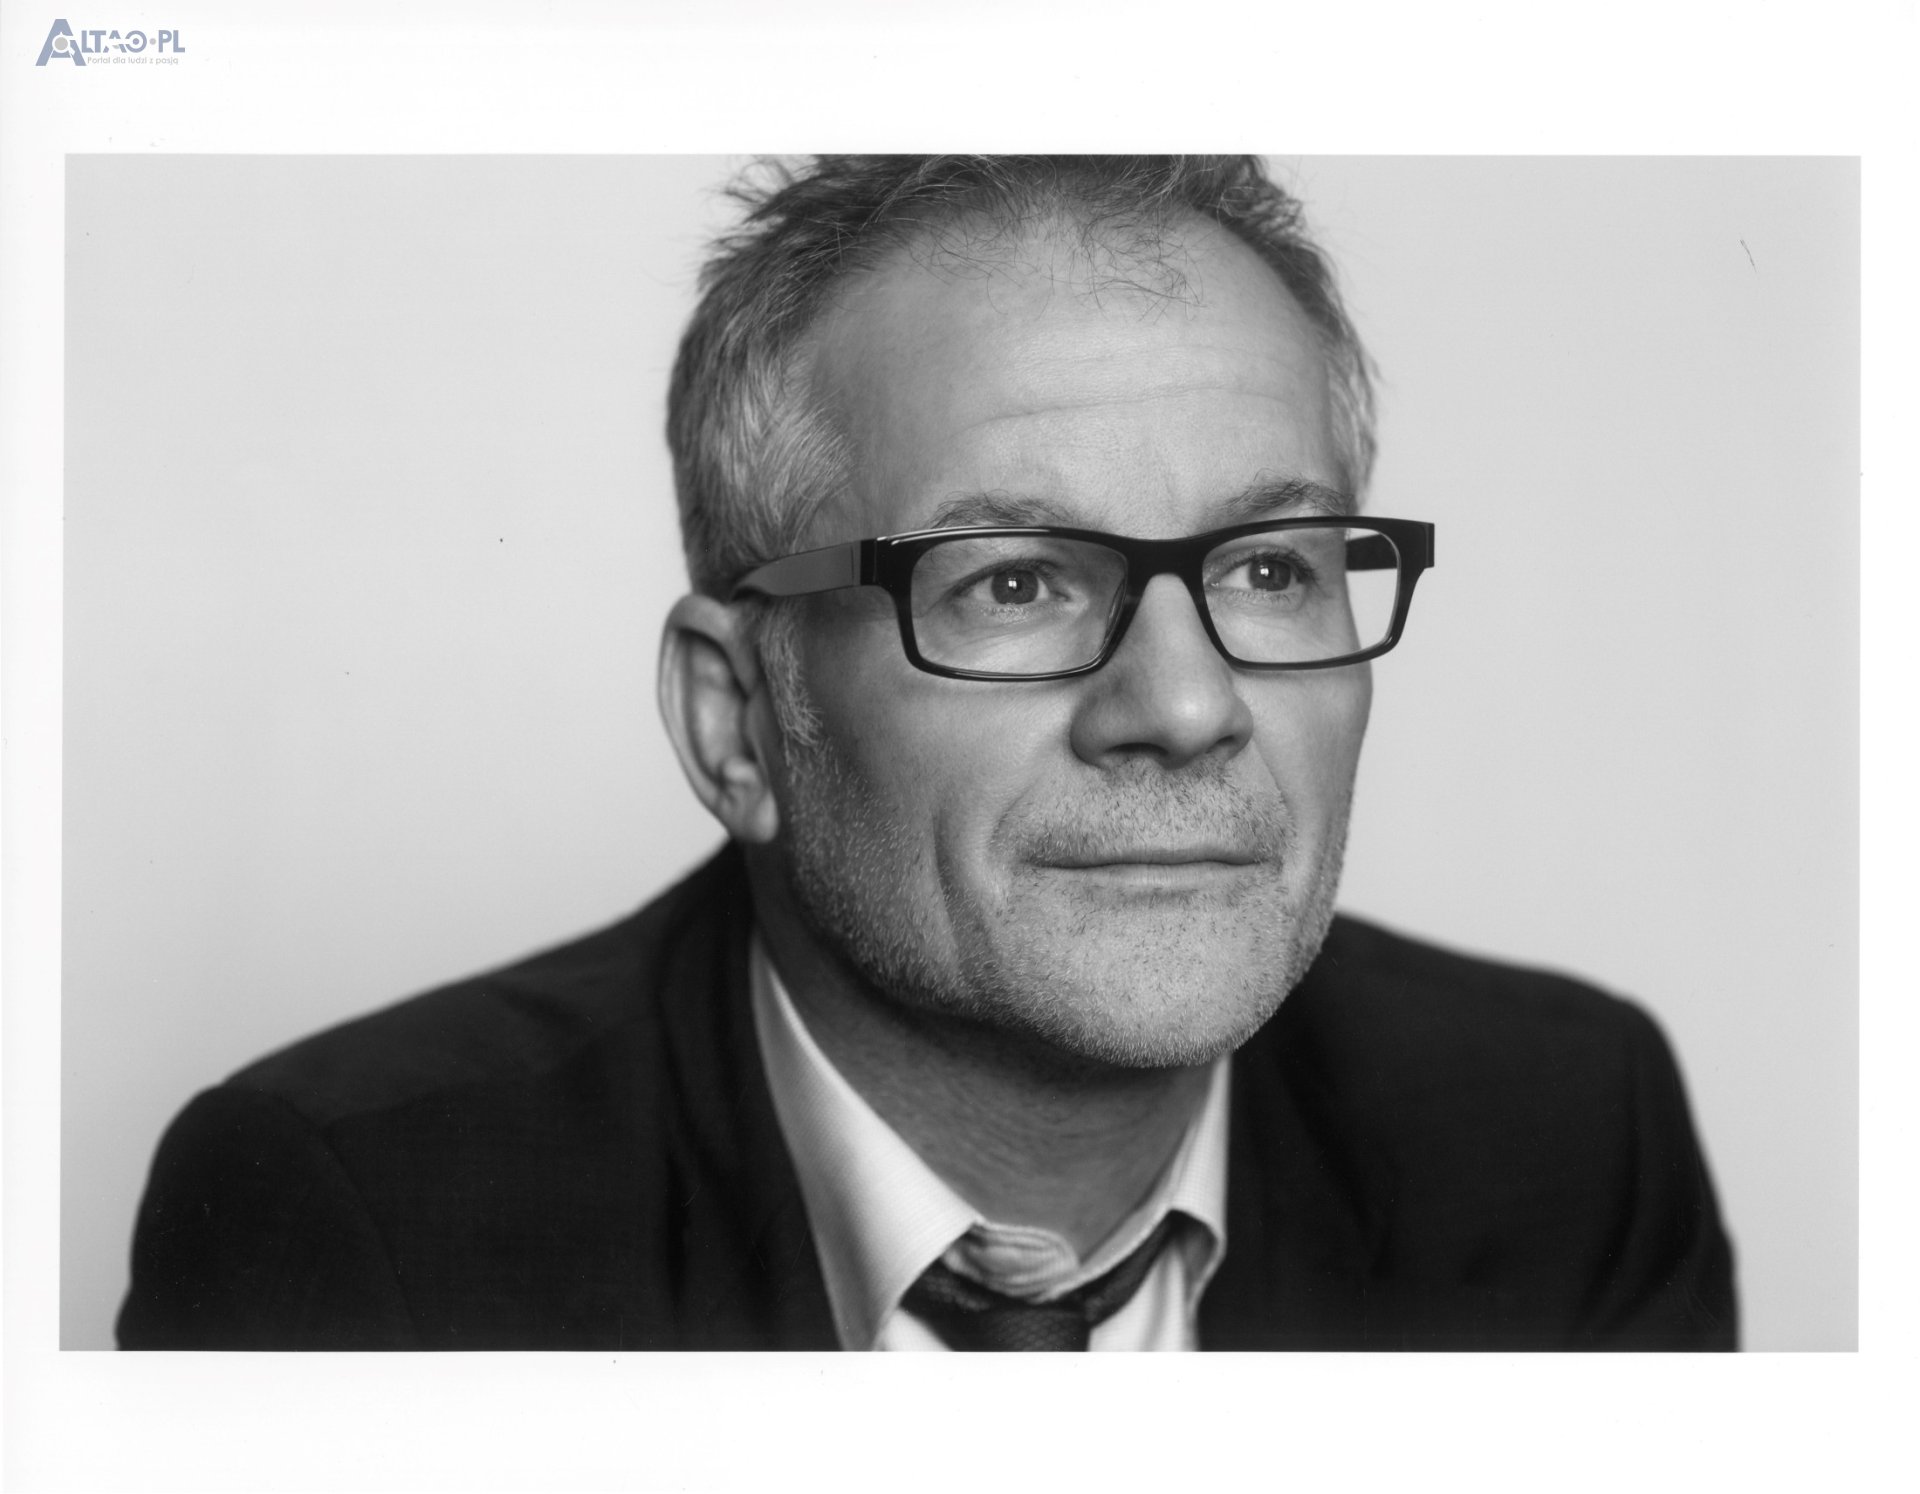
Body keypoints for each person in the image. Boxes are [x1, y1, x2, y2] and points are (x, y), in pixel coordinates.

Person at [117, 155, 1735, 1351]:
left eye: (1267, 568)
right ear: (738, 720)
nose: (1185, 705)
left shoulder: (1564, 1138)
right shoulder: (361, 1228)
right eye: (1015, 583)